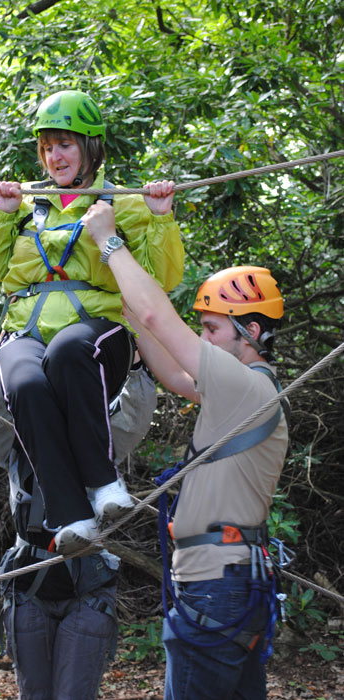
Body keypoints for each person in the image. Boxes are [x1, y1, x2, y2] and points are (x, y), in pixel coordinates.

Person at [82, 197, 289, 700]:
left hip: (218, 586)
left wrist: (108, 242)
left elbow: (160, 315)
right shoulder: (249, 391)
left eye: (212, 328)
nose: (203, 338)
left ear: (251, 332)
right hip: (230, 583)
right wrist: (128, 313)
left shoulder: (244, 386)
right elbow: (176, 374)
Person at [0, 89, 184, 555]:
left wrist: (160, 219)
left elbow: (163, 279)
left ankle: (104, 483)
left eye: (65, 144)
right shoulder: (24, 203)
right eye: (47, 147)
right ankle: (70, 516)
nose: (55, 156)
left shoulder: (123, 202)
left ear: (90, 147)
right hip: (27, 330)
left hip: (98, 330)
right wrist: (1, 215)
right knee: (24, 382)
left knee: (69, 350)